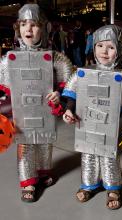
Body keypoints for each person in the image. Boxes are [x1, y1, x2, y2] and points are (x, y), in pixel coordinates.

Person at [62, 24, 122, 210]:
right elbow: (71, 91)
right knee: (88, 153)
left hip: (111, 125)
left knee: (109, 155)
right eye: (100, 46)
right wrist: (69, 109)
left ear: (120, 49)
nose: (104, 51)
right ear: (93, 47)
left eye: (111, 47)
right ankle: (89, 184)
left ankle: (113, 187)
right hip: (86, 121)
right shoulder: (82, 73)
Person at [0, 4, 73, 202]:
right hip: (22, 112)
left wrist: (59, 94)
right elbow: (2, 87)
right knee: (25, 145)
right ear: (18, 28)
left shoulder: (56, 59)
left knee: (44, 142)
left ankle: (43, 171)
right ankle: (27, 181)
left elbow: (70, 85)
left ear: (45, 28)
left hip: (45, 111)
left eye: (34, 24)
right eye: (23, 24)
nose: (28, 29)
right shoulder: (8, 60)